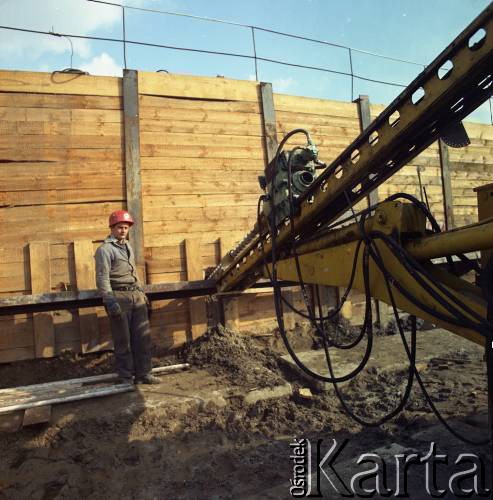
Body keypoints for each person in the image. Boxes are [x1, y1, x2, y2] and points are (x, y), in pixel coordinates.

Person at [95, 210, 160, 385]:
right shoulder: (104, 250)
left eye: (126, 227)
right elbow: (102, 277)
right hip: (120, 297)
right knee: (123, 340)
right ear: (112, 228)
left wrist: (142, 293)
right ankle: (125, 377)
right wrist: (110, 301)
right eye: (119, 227)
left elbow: (134, 272)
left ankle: (144, 374)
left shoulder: (128, 246)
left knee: (142, 338)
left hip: (135, 296)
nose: (123, 230)